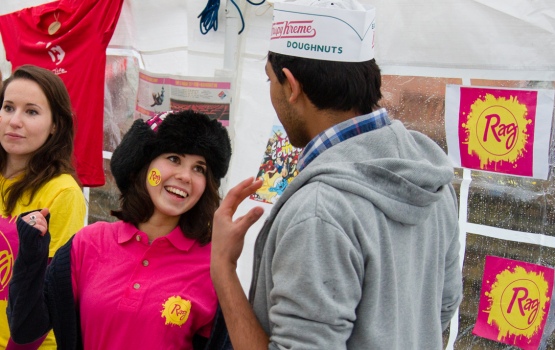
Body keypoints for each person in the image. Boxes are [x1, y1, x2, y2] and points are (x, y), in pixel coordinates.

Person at [210, 0, 463, 349]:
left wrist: (223, 267)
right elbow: (442, 306)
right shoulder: (429, 178)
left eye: (269, 79)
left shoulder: (320, 210)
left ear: (290, 85)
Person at [7, 110, 233, 350]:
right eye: (174, 159)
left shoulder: (212, 265)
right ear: (143, 166)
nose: (186, 176)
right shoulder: (88, 243)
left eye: (199, 168)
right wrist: (32, 255)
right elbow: (26, 328)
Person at [0, 65, 87, 350]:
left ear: (55, 126)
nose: (14, 121)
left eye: (31, 112)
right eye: (8, 107)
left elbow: (51, 292)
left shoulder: (62, 192)